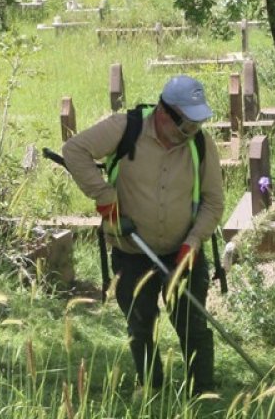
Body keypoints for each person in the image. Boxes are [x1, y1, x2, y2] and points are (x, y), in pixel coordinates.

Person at [61, 74, 224, 396]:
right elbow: (74, 150)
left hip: (183, 251)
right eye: (186, 126)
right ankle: (151, 387)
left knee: (192, 324)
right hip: (132, 251)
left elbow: (214, 201)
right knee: (140, 324)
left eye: (196, 125)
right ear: (165, 113)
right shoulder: (126, 128)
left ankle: (203, 392)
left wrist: (193, 242)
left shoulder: (201, 144)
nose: (191, 133)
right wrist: (105, 197)